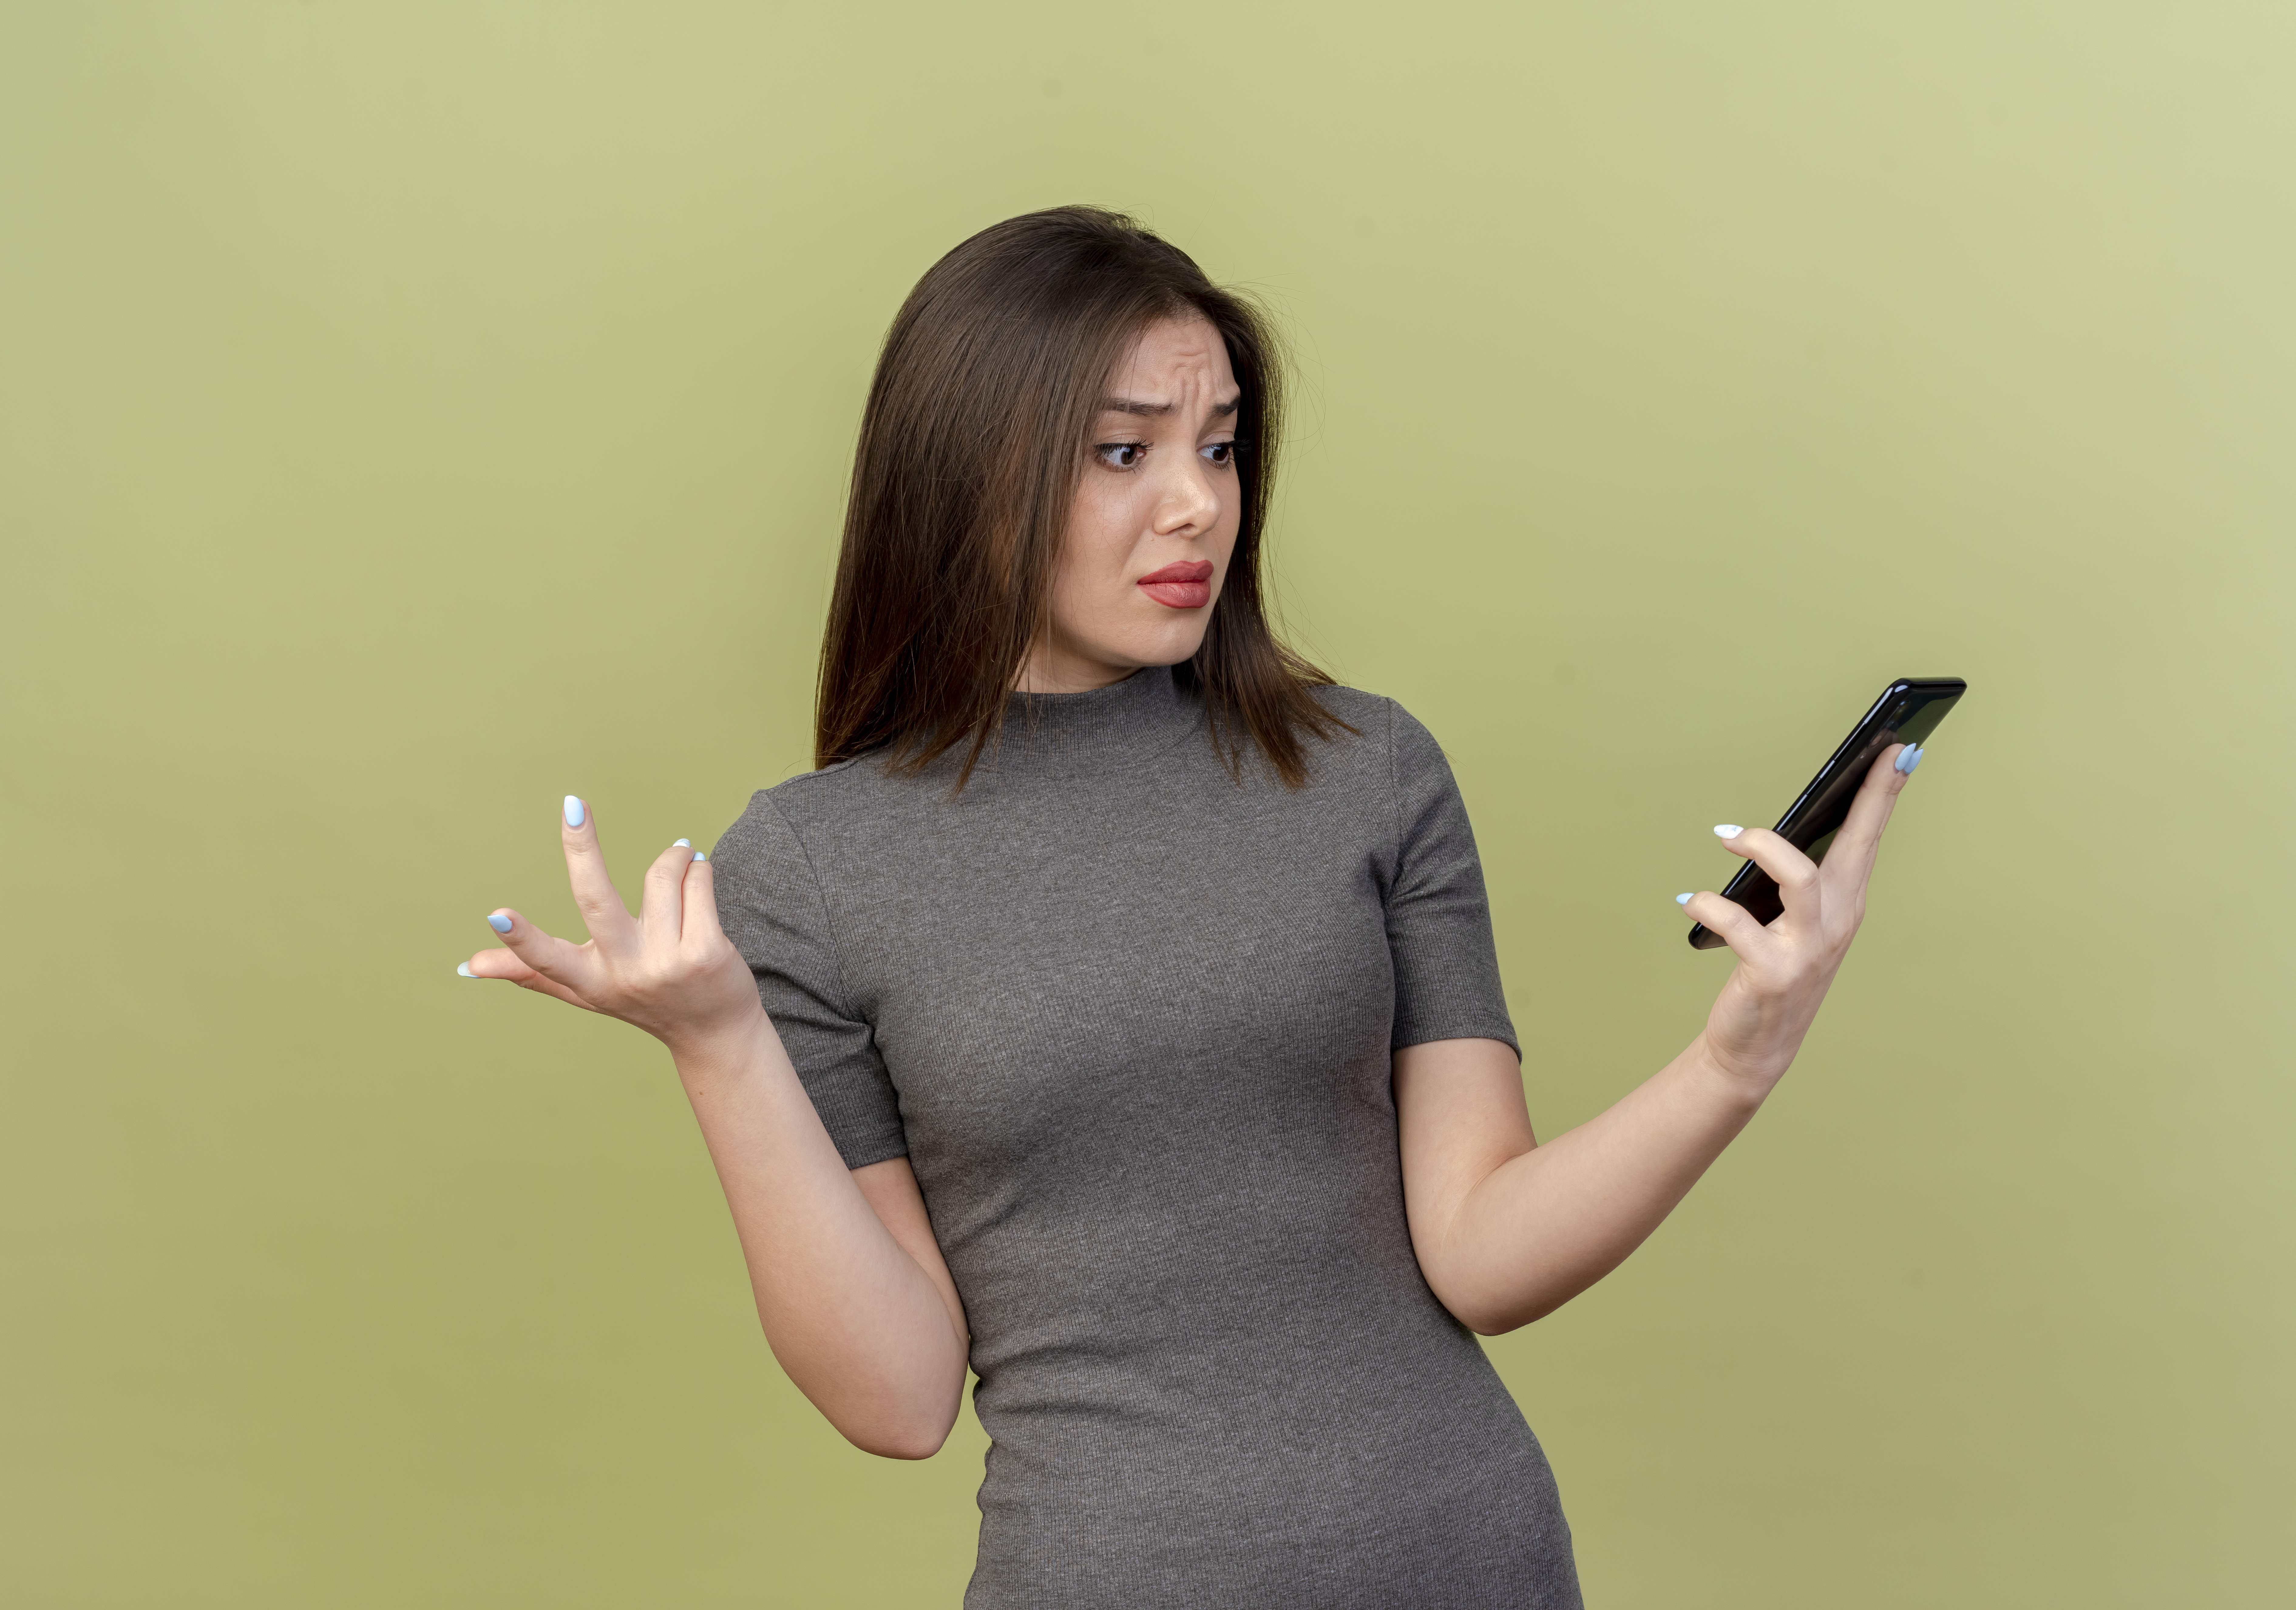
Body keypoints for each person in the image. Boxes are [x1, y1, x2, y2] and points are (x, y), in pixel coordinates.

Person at [457, 206, 1928, 1608]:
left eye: (1218, 446)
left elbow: (1480, 1252)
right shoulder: (812, 866)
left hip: (1467, 1559)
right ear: (966, 473)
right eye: (1122, 451)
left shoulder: (1365, 772)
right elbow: (897, 1401)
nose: (1197, 504)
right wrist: (719, 1044)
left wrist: (1734, 1059)